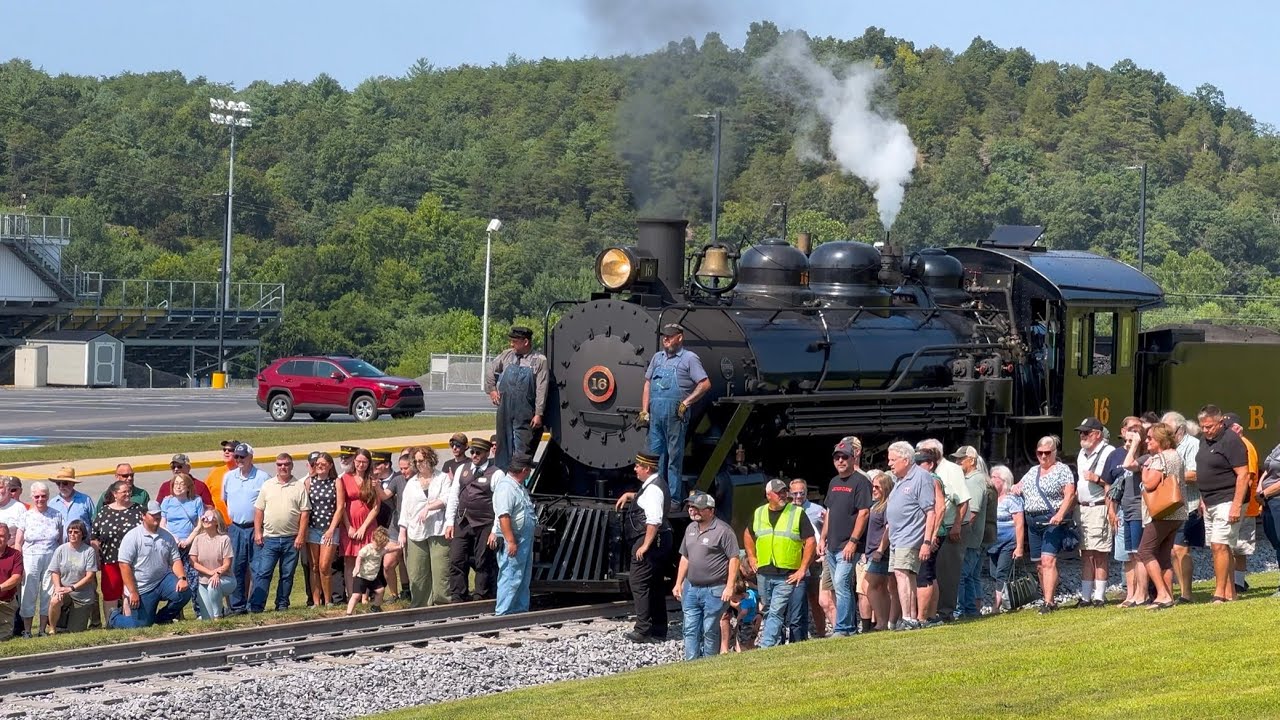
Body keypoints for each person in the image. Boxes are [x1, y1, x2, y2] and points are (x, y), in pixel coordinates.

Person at [638, 323, 711, 504]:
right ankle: (654, 496)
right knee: (654, 458)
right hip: (656, 416)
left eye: (670, 336)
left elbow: (704, 384)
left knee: (673, 458)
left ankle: (673, 499)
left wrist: (686, 402)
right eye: (664, 336)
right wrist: (644, 410)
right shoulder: (657, 358)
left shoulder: (689, 358)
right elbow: (647, 384)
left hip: (676, 416)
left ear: (680, 337)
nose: (666, 339)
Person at [743, 479, 815, 648]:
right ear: (768, 495)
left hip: (787, 574)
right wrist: (751, 557)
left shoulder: (796, 512)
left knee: (776, 610)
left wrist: (802, 569)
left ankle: (766, 646)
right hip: (764, 572)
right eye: (778, 492)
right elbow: (748, 534)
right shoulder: (759, 513)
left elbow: (811, 541)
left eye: (784, 491)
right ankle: (775, 644)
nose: (782, 495)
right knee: (768, 610)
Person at [615, 451, 673, 643]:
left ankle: (642, 629)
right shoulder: (654, 485)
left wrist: (645, 545)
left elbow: (654, 520)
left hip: (649, 540)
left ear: (647, 468)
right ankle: (658, 629)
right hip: (659, 539)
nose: (635, 469)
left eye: (638, 466)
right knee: (655, 583)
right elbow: (646, 499)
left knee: (639, 583)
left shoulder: (654, 489)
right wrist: (630, 495)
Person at [673, 491, 738, 659]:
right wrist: (678, 582)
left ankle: (709, 663)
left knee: (710, 629)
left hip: (715, 588)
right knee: (689, 628)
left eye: (698, 508)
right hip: (691, 587)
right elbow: (685, 557)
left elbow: (734, 559)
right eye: (691, 507)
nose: (692, 510)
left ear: (711, 510)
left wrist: (730, 586)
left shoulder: (723, 531)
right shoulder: (690, 528)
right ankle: (691, 663)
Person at [1194, 405, 1249, 603]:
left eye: (1209, 426)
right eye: (1202, 427)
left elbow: (1243, 475)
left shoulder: (1231, 441)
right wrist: (1202, 499)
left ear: (1220, 422)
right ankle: (1230, 593)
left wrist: (1236, 505)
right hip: (1210, 501)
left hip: (1228, 499)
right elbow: (1204, 470)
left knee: (1220, 545)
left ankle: (1219, 593)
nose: (1205, 430)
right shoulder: (1204, 440)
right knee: (1218, 547)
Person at [108, 501, 192, 629]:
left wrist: (182, 578)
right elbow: (124, 565)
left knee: (184, 593)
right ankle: (114, 618)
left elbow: (175, 560)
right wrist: (133, 592)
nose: (157, 517)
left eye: (159, 514)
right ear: (143, 516)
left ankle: (163, 618)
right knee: (141, 625)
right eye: (153, 514)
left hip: (163, 580)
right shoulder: (132, 537)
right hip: (142, 587)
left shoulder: (167, 536)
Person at [884, 441, 938, 630]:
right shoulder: (900, 479)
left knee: (902, 573)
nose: (889, 464)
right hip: (897, 537)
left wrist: (927, 542)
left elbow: (930, 512)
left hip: (909, 536)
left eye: (893, 460)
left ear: (905, 460)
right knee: (906, 575)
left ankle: (907, 617)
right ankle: (912, 618)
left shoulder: (921, 477)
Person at [1019, 436, 1076, 613]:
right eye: (1040, 453)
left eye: (1047, 453)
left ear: (1054, 452)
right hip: (1033, 521)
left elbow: (1070, 494)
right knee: (1039, 564)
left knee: (1048, 560)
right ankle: (1047, 597)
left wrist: (1060, 514)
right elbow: (1019, 486)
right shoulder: (1032, 471)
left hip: (1051, 520)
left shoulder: (1062, 470)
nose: (1043, 456)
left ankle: (1049, 602)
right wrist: (1013, 488)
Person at [822, 436, 872, 637]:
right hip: (832, 544)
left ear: (853, 458)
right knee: (839, 586)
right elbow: (829, 511)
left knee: (842, 584)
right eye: (837, 458)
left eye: (844, 457)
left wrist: (853, 541)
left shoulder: (861, 481)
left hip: (847, 545)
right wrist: (822, 538)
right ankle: (849, 627)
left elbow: (864, 513)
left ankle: (842, 628)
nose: (840, 461)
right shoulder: (833, 482)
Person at [1137, 424, 1190, 610]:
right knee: (1164, 556)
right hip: (1176, 511)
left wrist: (1144, 468)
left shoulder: (1159, 458)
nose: (1146, 441)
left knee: (1145, 551)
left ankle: (1162, 594)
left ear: (1160, 439)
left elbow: (1149, 484)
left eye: (1150, 438)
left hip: (1161, 512)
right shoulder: (1177, 455)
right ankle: (1169, 596)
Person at [484, 326, 549, 472]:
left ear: (525, 342)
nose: (511, 344)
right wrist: (492, 390)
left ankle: (521, 479)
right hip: (505, 410)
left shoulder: (539, 360)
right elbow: (491, 370)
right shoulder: (507, 355)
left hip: (525, 412)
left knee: (522, 450)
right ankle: (502, 477)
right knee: (503, 446)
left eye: (515, 341)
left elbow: (542, 388)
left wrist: (538, 413)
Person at [917, 439, 968, 622]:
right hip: (934, 529)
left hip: (948, 527)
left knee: (945, 572)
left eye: (923, 453)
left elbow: (963, 500)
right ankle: (934, 612)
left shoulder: (951, 470)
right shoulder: (927, 473)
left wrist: (956, 525)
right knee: (933, 572)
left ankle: (945, 612)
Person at [251, 453, 310, 613]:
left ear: (292, 466)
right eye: (279, 464)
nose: (283, 467)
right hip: (269, 539)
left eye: (286, 464)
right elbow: (259, 510)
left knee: (287, 574)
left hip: (291, 539)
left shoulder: (299, 486)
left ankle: (282, 604)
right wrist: (258, 531)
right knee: (263, 573)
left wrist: (301, 535)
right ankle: (257, 606)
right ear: (276, 466)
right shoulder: (267, 485)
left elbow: (305, 513)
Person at [1073, 417, 1121, 607]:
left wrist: (1096, 479)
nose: (1082, 436)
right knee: (1085, 552)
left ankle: (1099, 596)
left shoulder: (1108, 452)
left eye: (1086, 433)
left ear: (1097, 434)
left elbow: (1115, 483)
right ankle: (1085, 597)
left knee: (1100, 553)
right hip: (1082, 507)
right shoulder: (1081, 453)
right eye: (1081, 433)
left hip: (1099, 506)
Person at [445, 438, 499, 602]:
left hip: (485, 523)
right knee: (456, 558)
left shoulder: (496, 473)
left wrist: (495, 530)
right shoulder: (463, 469)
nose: (474, 455)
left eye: (478, 453)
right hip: (462, 521)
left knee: (483, 561)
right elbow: (454, 496)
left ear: (487, 453)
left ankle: (481, 594)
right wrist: (449, 522)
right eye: (472, 452)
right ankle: (458, 594)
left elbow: (499, 504)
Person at [400, 446, 452, 606]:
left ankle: (442, 604)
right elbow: (405, 509)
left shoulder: (442, 478)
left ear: (430, 459)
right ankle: (420, 606)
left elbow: (446, 499)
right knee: (417, 572)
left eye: (421, 460)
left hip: (438, 530)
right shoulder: (411, 483)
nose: (419, 464)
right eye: (416, 461)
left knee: (441, 570)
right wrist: (402, 531)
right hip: (416, 532)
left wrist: (429, 507)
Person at [222, 443, 268, 615]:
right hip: (235, 528)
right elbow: (226, 500)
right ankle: (237, 606)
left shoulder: (263, 477)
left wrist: (259, 528)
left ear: (251, 457)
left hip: (255, 528)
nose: (239, 460)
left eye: (242, 456)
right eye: (237, 456)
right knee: (236, 567)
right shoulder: (229, 477)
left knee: (258, 568)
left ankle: (255, 605)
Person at [1163, 411, 1203, 604]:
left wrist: (1168, 476)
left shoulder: (1192, 445)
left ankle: (1187, 593)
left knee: (1180, 549)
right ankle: (1182, 591)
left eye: (1169, 431)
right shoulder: (1170, 446)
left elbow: (1195, 474)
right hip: (1171, 505)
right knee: (1173, 550)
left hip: (1189, 504)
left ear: (1180, 429)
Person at [14, 481, 63, 636]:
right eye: (37, 496)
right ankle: (27, 630)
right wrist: (19, 564)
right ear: (31, 496)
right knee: (28, 593)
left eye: (43, 496)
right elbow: (18, 542)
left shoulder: (56, 514)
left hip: (51, 557)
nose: (40, 499)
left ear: (48, 496)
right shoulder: (25, 516)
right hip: (30, 558)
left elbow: (60, 541)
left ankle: (42, 629)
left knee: (48, 592)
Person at [491, 454, 537, 615]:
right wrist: (510, 541)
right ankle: (503, 612)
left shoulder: (518, 487)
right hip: (515, 540)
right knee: (510, 576)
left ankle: (519, 611)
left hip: (524, 540)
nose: (530, 472)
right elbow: (504, 516)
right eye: (529, 470)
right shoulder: (506, 488)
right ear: (524, 470)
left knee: (522, 577)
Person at [91, 481, 144, 618]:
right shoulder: (104, 511)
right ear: (115, 494)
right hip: (110, 559)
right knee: (111, 592)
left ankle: (130, 620)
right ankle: (111, 621)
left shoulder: (138, 509)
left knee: (130, 591)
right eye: (124, 492)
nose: (128, 494)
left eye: (129, 491)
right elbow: (94, 536)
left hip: (134, 560)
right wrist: (96, 557)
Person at [1115, 418, 1150, 607]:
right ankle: (1132, 593)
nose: (1127, 444)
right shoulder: (1131, 457)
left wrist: (1136, 444)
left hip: (1137, 511)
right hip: (1127, 510)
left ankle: (1142, 594)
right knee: (1130, 555)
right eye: (1126, 441)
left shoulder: (1144, 459)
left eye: (1130, 441)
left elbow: (1128, 465)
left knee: (1139, 554)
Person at [951, 446, 990, 618]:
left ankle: (961, 610)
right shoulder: (972, 479)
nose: (957, 462)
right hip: (971, 537)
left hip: (969, 538)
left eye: (961, 459)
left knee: (961, 575)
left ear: (972, 460)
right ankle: (970, 610)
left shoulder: (974, 480)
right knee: (967, 576)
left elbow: (972, 512)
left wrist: (959, 529)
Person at [1224, 412, 1259, 594]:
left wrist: (1237, 502)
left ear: (1237, 428)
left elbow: (1249, 478)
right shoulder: (1235, 445)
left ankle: (1238, 582)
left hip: (1245, 506)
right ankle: (1234, 581)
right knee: (1232, 545)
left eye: (1227, 428)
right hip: (1235, 503)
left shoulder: (1245, 446)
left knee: (1239, 546)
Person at [159, 473, 204, 615]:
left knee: (194, 577)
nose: (178, 487)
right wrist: (175, 539)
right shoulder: (167, 501)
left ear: (188, 487)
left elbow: (199, 524)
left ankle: (199, 611)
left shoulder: (196, 501)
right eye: (176, 484)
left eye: (182, 484)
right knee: (175, 578)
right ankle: (177, 613)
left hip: (190, 543)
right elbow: (162, 524)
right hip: (172, 543)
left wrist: (188, 540)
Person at [305, 451, 345, 608]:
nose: (320, 466)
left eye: (323, 464)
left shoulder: (336, 482)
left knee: (324, 565)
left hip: (329, 529)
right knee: (314, 566)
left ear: (330, 466)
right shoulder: (309, 482)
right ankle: (316, 601)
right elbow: (305, 506)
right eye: (317, 464)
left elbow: (340, 507)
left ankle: (328, 600)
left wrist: (331, 528)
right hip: (313, 529)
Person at [341, 449, 382, 597]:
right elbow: (341, 506)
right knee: (350, 561)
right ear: (354, 461)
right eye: (358, 461)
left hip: (368, 525)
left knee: (368, 559)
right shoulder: (345, 478)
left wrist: (364, 527)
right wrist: (349, 526)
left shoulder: (372, 479)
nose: (361, 464)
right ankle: (352, 594)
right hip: (350, 524)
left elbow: (376, 506)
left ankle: (365, 595)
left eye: (364, 462)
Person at [47, 519, 98, 634]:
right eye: (70, 532)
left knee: (75, 631)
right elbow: (54, 571)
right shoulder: (60, 549)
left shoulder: (89, 551)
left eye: (76, 532)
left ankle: (68, 622)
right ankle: (52, 628)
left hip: (82, 597)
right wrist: (57, 588)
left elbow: (90, 576)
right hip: (64, 592)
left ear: (82, 534)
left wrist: (72, 588)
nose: (72, 534)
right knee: (55, 600)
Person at [986, 466, 1024, 612]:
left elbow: (1019, 524)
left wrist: (1019, 547)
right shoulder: (991, 498)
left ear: (1004, 480)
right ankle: (1007, 601)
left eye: (994, 477)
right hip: (993, 543)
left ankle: (996, 605)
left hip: (1008, 542)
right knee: (993, 573)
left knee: (1001, 572)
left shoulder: (1012, 499)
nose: (991, 480)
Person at [862, 471, 896, 631]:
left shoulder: (887, 506)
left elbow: (888, 529)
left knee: (868, 585)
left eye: (877, 487)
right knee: (881, 587)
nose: (874, 490)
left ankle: (882, 621)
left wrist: (881, 550)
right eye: (873, 486)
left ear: (886, 488)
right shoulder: (876, 505)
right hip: (872, 551)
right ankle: (884, 621)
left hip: (880, 552)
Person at [373, 450, 408, 600]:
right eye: (401, 468)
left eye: (406, 468)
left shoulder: (419, 480)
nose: (403, 471)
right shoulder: (398, 480)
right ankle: (394, 595)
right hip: (396, 525)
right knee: (388, 563)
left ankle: (409, 591)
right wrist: (376, 486)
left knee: (410, 562)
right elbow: (384, 495)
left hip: (415, 525)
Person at [190, 509, 236, 619]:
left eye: (209, 518)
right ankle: (218, 612)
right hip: (203, 582)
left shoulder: (224, 539)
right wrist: (210, 572)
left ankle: (218, 616)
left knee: (213, 585)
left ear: (216, 521)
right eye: (203, 517)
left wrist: (217, 574)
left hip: (225, 579)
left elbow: (227, 564)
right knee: (207, 619)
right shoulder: (198, 539)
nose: (205, 520)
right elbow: (193, 562)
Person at [348, 527, 391, 615]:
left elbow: (389, 549)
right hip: (361, 576)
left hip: (372, 577)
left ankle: (375, 607)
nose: (378, 548)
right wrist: (357, 567)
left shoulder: (381, 549)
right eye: (377, 545)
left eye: (381, 546)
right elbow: (359, 557)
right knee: (356, 595)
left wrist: (399, 547)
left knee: (380, 590)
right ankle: (349, 613)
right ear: (372, 539)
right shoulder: (367, 549)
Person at [1258, 441, 1280, 596]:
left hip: (1276, 499)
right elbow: (1267, 469)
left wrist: (1264, 493)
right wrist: (1260, 488)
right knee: (1277, 542)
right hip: (1269, 501)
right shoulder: (1277, 447)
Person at [48, 467, 95, 540]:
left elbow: (95, 523)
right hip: (60, 545)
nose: (61, 486)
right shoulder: (52, 503)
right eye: (58, 483)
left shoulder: (85, 500)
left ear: (73, 484)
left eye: (65, 483)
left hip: (82, 545)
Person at [205, 440, 240, 525]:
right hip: (217, 523)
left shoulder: (243, 473)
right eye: (224, 450)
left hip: (238, 524)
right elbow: (205, 495)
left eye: (231, 450)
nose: (226, 452)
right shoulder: (215, 472)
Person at [0, 524, 21, 640]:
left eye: (2, 536)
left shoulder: (15, 555)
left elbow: (16, 578)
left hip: (6, 604)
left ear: (8, 537)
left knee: (3, 637)